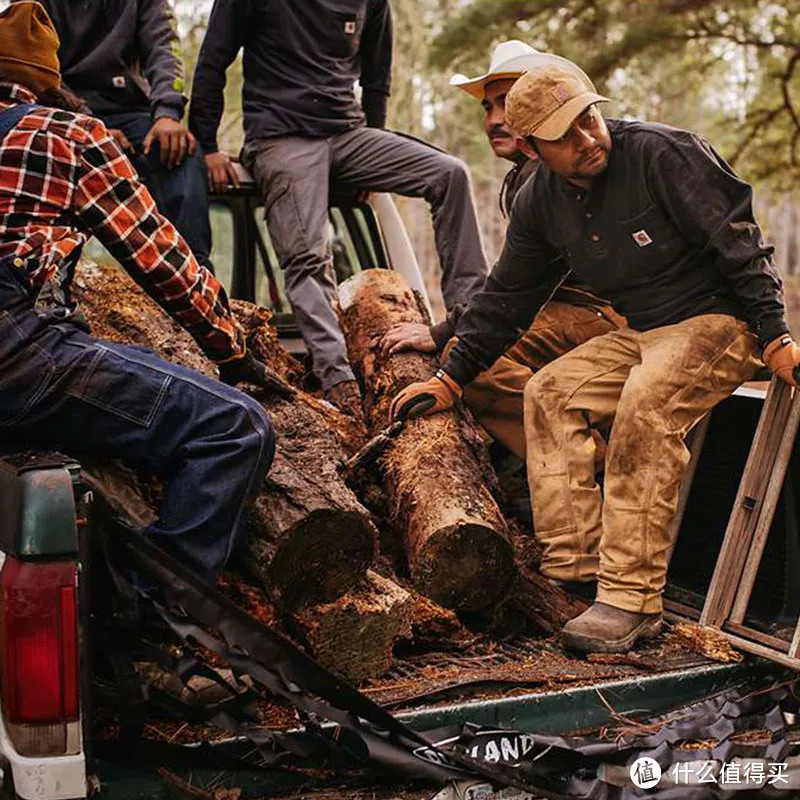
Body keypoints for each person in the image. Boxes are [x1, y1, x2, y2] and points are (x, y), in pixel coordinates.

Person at [390, 57, 798, 653]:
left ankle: (631, 602)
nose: (587, 138)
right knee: (549, 393)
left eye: (589, 119)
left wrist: (776, 335)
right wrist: (451, 380)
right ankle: (575, 569)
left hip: (718, 321)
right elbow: (507, 296)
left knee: (647, 406)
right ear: (533, 148)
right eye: (565, 135)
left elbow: (740, 244)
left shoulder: (664, 154)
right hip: (643, 330)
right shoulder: (539, 202)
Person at [0, 1, 280, 584]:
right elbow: (165, 262)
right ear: (45, 81)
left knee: (137, 366)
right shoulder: (65, 136)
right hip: (17, 361)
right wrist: (229, 347)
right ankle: (147, 611)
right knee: (235, 429)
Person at [189, 0, 489, 418]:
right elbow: (212, 62)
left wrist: (374, 152)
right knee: (309, 256)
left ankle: (469, 323)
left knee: (450, 174)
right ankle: (340, 382)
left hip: (347, 133)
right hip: (281, 134)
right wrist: (204, 145)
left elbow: (377, 77)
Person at [380, 41, 624, 461]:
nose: (495, 120)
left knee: (471, 361)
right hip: (565, 311)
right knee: (471, 351)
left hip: (599, 313)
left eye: (508, 105)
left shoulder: (557, 173)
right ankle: (548, 460)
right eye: (488, 109)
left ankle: (584, 465)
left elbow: (516, 289)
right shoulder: (526, 177)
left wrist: (442, 332)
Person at [27, 0, 217, 272]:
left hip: (132, 112)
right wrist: (89, 124)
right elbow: (39, 65)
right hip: (62, 110)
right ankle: (45, 276)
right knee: (37, 163)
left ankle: (195, 276)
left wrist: (167, 113)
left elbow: (164, 48)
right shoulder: (39, 3)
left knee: (180, 152)